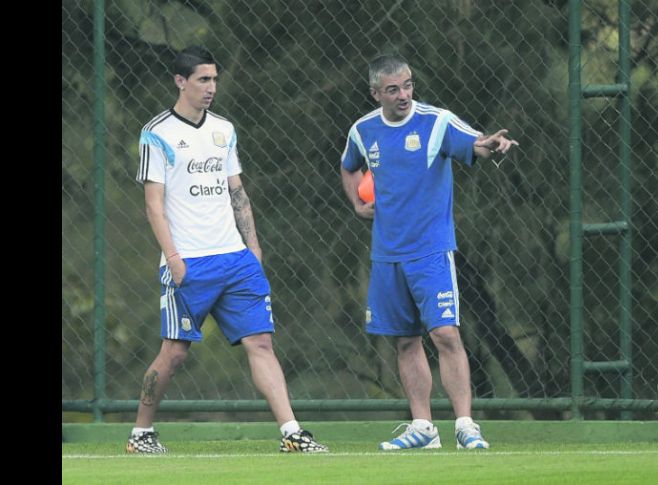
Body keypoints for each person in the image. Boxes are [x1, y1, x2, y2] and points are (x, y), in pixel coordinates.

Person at [128, 46, 328, 454]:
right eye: (203, 80)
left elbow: (237, 191)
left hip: (236, 258)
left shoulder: (224, 129)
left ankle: (292, 432)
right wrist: (173, 258)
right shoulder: (157, 133)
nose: (211, 88)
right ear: (180, 81)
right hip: (189, 262)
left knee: (261, 343)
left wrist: (252, 248)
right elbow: (153, 205)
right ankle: (141, 434)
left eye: (214, 79)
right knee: (175, 352)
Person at [339, 54, 518, 450]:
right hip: (387, 254)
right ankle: (423, 427)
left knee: (445, 333)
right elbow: (349, 167)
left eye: (407, 85)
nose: (403, 95)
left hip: (431, 251)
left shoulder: (436, 122)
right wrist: (356, 202)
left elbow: (474, 143)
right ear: (375, 93)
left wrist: (491, 144)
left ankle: (466, 425)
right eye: (392, 89)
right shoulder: (363, 130)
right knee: (404, 340)